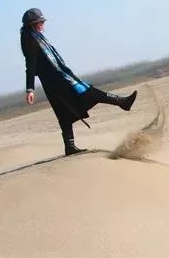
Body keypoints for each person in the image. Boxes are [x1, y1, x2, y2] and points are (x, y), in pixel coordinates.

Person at [20, 8, 137, 156]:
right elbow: (30, 66)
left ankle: (70, 147)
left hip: (58, 80)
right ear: (32, 24)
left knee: (64, 112)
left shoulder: (37, 38)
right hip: (57, 82)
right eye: (40, 22)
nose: (43, 24)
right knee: (89, 93)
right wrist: (30, 89)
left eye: (42, 21)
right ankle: (122, 102)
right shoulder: (31, 41)